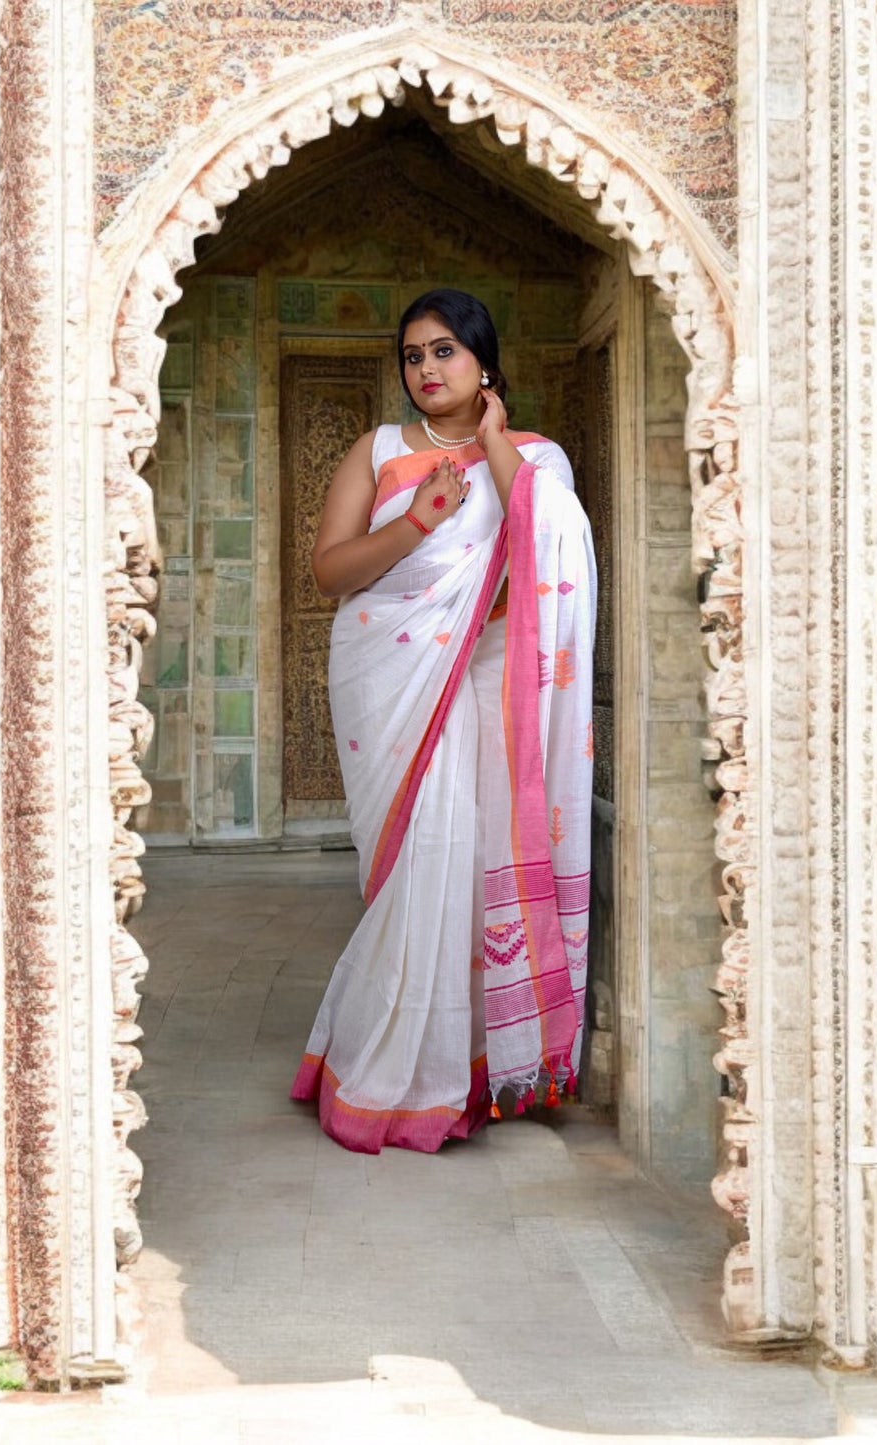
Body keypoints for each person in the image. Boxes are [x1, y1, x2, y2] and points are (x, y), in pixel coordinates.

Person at [289, 289, 597, 1154]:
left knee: (474, 860)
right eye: (413, 355)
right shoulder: (379, 449)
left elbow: (548, 545)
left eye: (444, 352)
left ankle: (468, 1067)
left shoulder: (534, 456)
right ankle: (388, 1067)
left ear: (483, 362)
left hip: (493, 685)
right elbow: (329, 570)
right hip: (396, 678)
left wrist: (494, 443)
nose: (426, 368)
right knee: (421, 862)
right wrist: (419, 519)